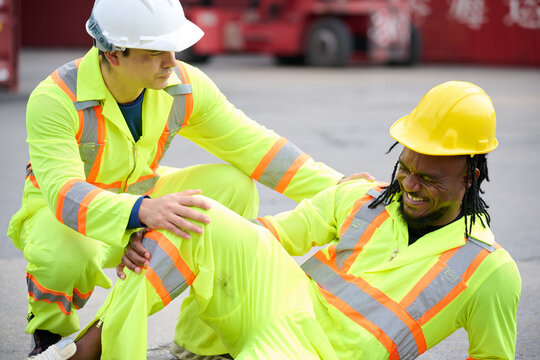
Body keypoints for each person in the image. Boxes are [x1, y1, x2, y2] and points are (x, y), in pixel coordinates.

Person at [30, 80, 521, 360]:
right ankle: (83, 353)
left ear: (472, 175)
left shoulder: (489, 271)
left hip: (324, 354)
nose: (410, 186)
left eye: (430, 179)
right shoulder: (365, 198)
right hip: (283, 302)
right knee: (198, 218)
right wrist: (168, 243)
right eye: (406, 168)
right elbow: (271, 234)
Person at [8, 0, 371, 358]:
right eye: (154, 52)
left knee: (233, 188)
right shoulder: (55, 99)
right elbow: (64, 193)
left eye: (173, 47)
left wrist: (340, 189)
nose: (171, 61)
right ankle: (55, 337)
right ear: (113, 54)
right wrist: (139, 214)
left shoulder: (180, 85)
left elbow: (256, 147)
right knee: (68, 253)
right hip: (65, 213)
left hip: (144, 194)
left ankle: (202, 342)